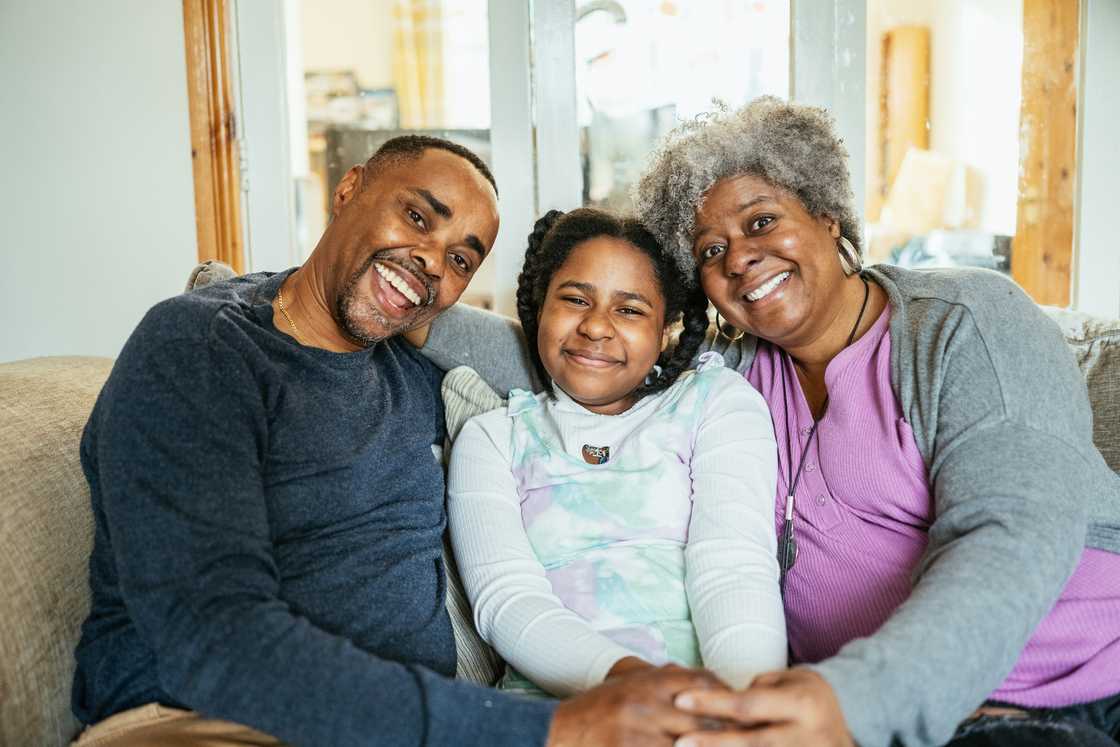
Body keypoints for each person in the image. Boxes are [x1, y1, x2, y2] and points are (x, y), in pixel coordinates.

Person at [414, 99, 1120, 747]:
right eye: (711, 251)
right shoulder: (733, 373)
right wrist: (371, 297)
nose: (741, 259)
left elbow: (1014, 537)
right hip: (834, 713)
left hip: (1050, 696)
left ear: (828, 215)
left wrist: (855, 700)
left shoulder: (962, 323)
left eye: (760, 222)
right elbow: (564, 357)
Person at [70, 135, 732, 747]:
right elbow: (215, 640)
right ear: (350, 187)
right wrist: (551, 727)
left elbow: (577, 362)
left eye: (460, 258)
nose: (428, 262)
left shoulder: (414, 371)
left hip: (420, 724)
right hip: (211, 717)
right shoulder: (205, 348)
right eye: (418, 217)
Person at [447, 208, 786, 700]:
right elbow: (506, 600)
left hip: (714, 704)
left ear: (666, 328)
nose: (596, 327)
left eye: (629, 310)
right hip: (555, 714)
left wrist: (744, 706)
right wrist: (638, 688)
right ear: (539, 306)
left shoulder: (715, 402)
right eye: (574, 299)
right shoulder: (493, 438)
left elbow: (734, 565)